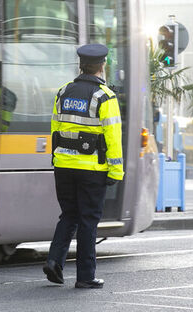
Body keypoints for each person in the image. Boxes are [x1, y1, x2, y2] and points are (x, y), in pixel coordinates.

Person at [43, 44, 124, 289]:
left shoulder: (63, 92)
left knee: (69, 214)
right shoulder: (105, 96)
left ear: (81, 66)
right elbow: (113, 137)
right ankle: (85, 276)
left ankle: (54, 261)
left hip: (64, 166)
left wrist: (57, 159)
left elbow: (55, 129)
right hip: (92, 170)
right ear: (102, 66)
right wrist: (116, 171)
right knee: (88, 220)